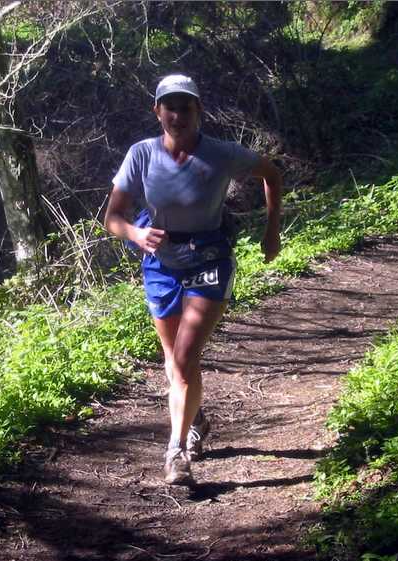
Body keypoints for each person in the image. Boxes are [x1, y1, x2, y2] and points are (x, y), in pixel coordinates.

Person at [104, 74, 282, 485]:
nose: (178, 115)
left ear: (199, 111)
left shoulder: (221, 154)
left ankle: (177, 452)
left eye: (186, 107)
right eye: (170, 107)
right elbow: (112, 217)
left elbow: (271, 174)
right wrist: (135, 233)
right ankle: (195, 416)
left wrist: (271, 230)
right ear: (157, 112)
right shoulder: (142, 154)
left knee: (183, 359)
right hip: (160, 262)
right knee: (174, 362)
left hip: (210, 257)